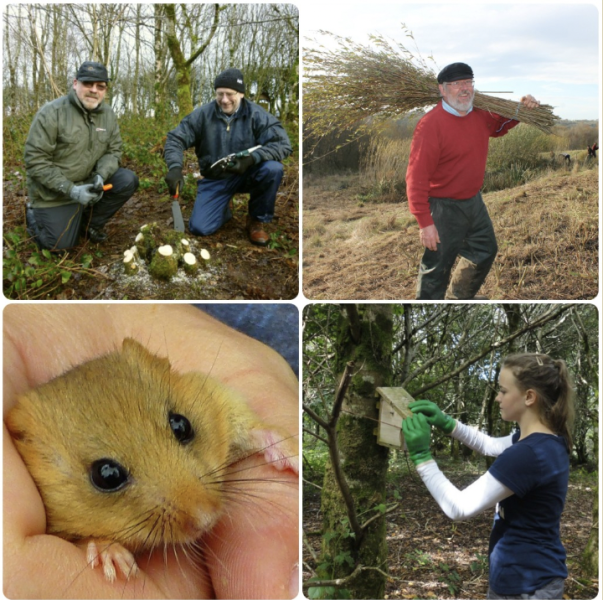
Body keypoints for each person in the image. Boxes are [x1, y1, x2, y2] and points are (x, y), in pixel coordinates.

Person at [3, 303, 298, 599]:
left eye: (180, 429)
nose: (199, 511)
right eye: (110, 477)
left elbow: (209, 396)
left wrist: (260, 433)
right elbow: (55, 535)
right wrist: (92, 544)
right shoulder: (36, 468)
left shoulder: (173, 390)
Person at [402, 353, 574, 599]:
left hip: (529, 587)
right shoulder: (543, 441)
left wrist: (421, 455)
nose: (497, 397)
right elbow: (490, 445)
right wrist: (447, 423)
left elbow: (458, 507)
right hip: (528, 578)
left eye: (503, 391)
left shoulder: (529, 454)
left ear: (529, 397)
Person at [406, 62, 541, 299]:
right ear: (442, 90)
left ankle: (458, 298)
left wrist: (522, 109)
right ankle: (428, 306)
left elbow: (500, 127)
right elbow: (416, 177)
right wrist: (425, 223)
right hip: (442, 207)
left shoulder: (479, 114)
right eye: (456, 84)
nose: (464, 88)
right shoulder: (430, 125)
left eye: (468, 82)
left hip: (473, 201)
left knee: (485, 251)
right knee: (437, 267)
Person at [163, 68, 292, 246]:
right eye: (220, 94)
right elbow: (175, 139)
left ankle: (256, 220)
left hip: (247, 174)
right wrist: (175, 167)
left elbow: (282, 144)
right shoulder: (203, 115)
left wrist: (252, 159)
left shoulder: (257, 115)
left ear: (241, 94)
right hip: (216, 178)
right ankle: (222, 207)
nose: (224, 100)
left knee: (273, 169)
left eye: (229, 94)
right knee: (200, 228)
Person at [23, 61, 139, 250]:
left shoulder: (108, 114)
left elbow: (114, 150)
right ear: (75, 83)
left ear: (105, 90)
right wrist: (71, 190)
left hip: (88, 182)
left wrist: (101, 175)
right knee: (59, 246)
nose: (94, 90)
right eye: (88, 84)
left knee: (127, 180)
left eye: (100, 86)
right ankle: (33, 215)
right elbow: (36, 162)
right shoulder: (52, 113)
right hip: (54, 193)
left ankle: (89, 224)